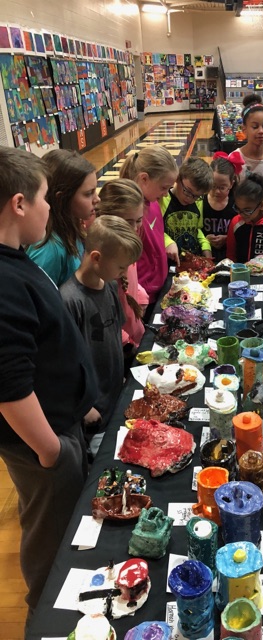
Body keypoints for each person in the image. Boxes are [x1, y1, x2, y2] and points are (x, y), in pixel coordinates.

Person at [0, 147, 95, 620]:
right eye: (42, 198)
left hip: (61, 425)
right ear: (18, 204)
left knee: (62, 528)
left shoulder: (14, 260)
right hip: (46, 441)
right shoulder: (4, 280)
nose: (48, 209)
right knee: (50, 534)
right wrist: (51, 449)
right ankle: (47, 618)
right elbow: (9, 384)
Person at [60, 215, 142, 455]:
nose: (123, 272)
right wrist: (84, 407)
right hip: (93, 410)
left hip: (114, 396)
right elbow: (65, 363)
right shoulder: (69, 301)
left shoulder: (107, 286)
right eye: (120, 266)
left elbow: (113, 334)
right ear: (96, 257)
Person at [26, 149, 99, 286]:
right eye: (89, 193)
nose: (97, 199)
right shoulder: (48, 251)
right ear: (61, 198)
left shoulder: (71, 229)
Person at [119, 146, 178, 306]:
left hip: (158, 291)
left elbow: (155, 236)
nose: (166, 194)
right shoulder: (131, 216)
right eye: (164, 187)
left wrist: (168, 241)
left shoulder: (154, 202)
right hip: (141, 300)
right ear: (144, 179)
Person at [96, 179, 148, 354]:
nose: (134, 228)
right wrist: (126, 341)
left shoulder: (127, 242)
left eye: (138, 220)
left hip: (136, 333)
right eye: (128, 222)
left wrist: (141, 297)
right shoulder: (105, 255)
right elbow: (101, 311)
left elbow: (131, 282)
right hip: (122, 346)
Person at [160, 156, 213, 265]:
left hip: (193, 263)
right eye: (187, 191)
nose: (190, 199)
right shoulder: (162, 199)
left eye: (197, 196)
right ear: (178, 179)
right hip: (169, 264)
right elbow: (154, 231)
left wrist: (206, 246)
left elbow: (197, 230)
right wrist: (167, 242)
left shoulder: (198, 202)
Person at [226, 173, 263, 263]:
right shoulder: (235, 222)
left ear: (262, 205)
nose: (242, 214)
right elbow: (230, 256)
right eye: (238, 208)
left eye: (247, 210)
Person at [202, 151, 243, 261]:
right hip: (205, 256)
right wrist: (204, 239)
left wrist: (228, 238)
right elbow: (195, 229)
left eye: (222, 187)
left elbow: (244, 231)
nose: (217, 191)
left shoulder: (238, 203)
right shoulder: (200, 200)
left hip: (231, 258)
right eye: (213, 186)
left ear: (231, 183)